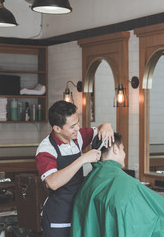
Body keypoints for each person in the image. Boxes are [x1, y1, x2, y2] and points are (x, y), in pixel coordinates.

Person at [71, 133, 164, 237]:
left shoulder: (89, 181)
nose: (124, 154)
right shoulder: (126, 184)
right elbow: (148, 225)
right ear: (115, 149)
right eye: (123, 149)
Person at [35, 100, 114, 237]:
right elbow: (53, 183)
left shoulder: (78, 137)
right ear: (57, 128)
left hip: (79, 210)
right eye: (72, 126)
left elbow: (100, 128)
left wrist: (106, 125)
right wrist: (82, 159)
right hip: (59, 216)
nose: (78, 128)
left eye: (78, 122)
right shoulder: (46, 150)